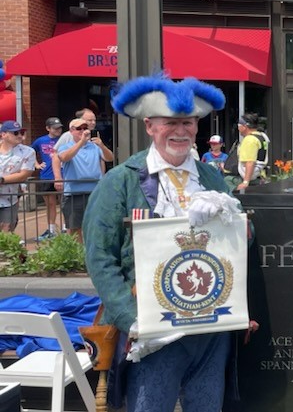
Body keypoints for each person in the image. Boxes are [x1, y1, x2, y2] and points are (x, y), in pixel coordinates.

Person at [83, 76, 245, 411]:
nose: (181, 131)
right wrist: (131, 319)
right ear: (150, 126)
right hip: (153, 331)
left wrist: (228, 211)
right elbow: (100, 257)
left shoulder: (212, 177)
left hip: (211, 330)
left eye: (187, 122)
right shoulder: (120, 181)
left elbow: (246, 236)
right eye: (171, 123)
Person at [57, 118, 106, 242]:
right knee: (74, 228)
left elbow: (109, 158)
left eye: (85, 128)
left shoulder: (94, 147)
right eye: (79, 128)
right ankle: (79, 257)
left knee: (95, 225)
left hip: (94, 192)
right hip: (74, 194)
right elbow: (64, 157)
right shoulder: (65, 146)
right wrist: (81, 142)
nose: (83, 131)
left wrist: (102, 145)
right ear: (71, 131)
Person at [0, 120, 37, 233]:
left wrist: (2, 180)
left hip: (9, 198)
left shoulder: (27, 151)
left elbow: (24, 174)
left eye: (21, 132)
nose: (20, 135)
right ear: (3, 134)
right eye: (15, 133)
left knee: (6, 231)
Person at [32, 116, 64, 240]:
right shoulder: (40, 141)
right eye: (55, 128)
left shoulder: (64, 139)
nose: (58, 130)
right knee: (50, 204)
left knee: (64, 203)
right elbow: (30, 151)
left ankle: (65, 228)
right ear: (48, 128)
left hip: (62, 175)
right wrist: (36, 164)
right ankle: (51, 230)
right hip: (46, 175)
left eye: (59, 128)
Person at [236, 113, 270, 191]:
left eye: (239, 125)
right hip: (258, 175)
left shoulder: (250, 140)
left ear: (245, 126)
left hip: (248, 178)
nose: (238, 127)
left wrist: (245, 182)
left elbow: (250, 161)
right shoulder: (262, 136)